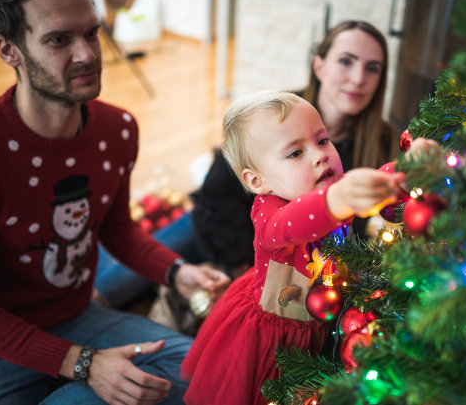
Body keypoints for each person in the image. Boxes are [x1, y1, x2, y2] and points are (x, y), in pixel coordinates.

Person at [0, 0, 230, 404]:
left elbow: (116, 229)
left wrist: (176, 273)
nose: (87, 54)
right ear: (9, 49)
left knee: (202, 371)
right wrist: (85, 365)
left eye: (92, 33)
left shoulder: (118, 129)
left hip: (78, 317)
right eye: (59, 40)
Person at [93, 19, 397, 314]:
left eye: (373, 68)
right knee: (124, 277)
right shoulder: (273, 116)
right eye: (346, 61)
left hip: (300, 270)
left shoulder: (378, 140)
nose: (359, 78)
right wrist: (246, 265)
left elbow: (354, 220)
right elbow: (216, 197)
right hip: (224, 228)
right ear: (319, 66)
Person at [180, 90, 406, 405]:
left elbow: (376, 184)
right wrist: (337, 200)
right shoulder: (269, 211)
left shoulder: (332, 192)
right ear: (258, 181)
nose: (320, 155)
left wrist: (409, 170)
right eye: (295, 153)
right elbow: (288, 225)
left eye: (323, 140)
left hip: (325, 319)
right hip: (271, 339)